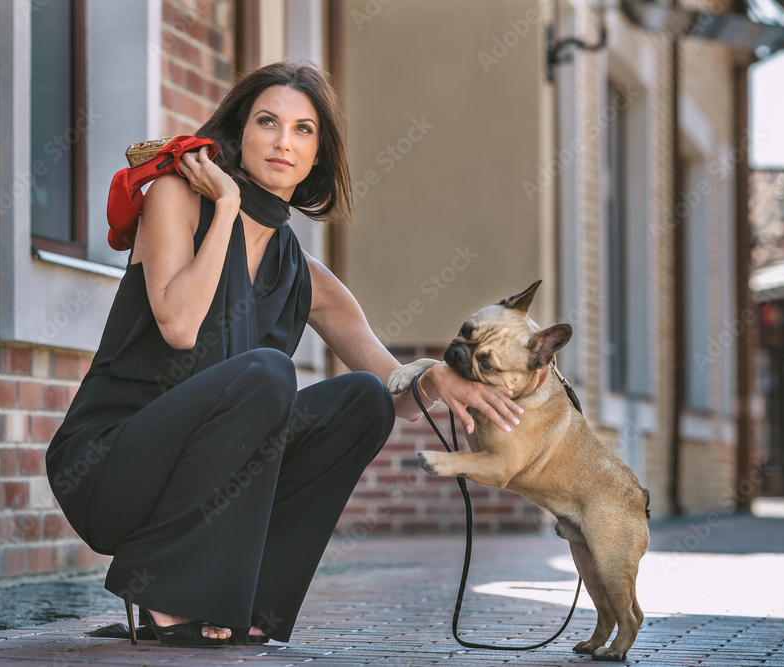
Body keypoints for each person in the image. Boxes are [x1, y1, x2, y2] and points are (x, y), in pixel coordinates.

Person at [45, 59, 523, 649]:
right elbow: (179, 325)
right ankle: (171, 598)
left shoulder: (306, 275)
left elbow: (392, 390)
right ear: (239, 132)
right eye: (268, 121)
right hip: (109, 466)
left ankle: (250, 605)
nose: (282, 140)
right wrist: (224, 209)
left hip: (191, 477)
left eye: (303, 130)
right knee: (268, 371)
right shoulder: (175, 197)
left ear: (318, 154)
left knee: (362, 401)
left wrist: (439, 381)